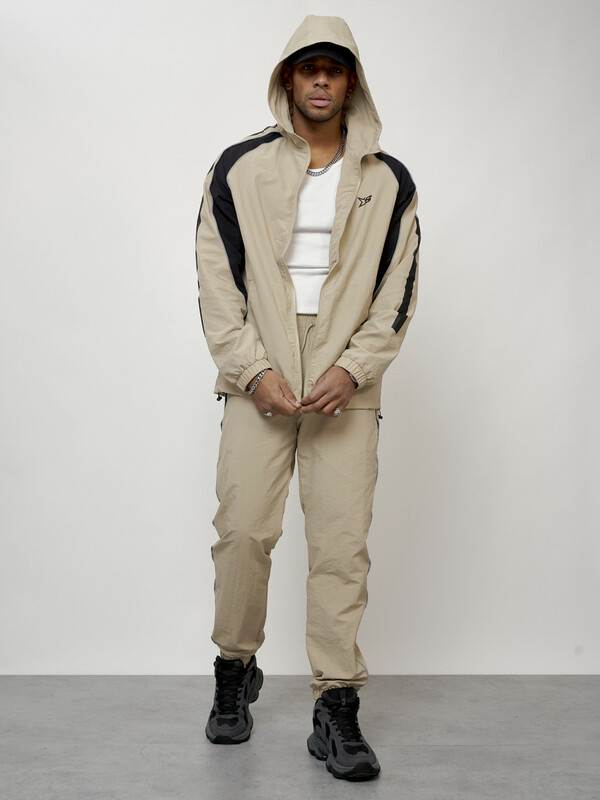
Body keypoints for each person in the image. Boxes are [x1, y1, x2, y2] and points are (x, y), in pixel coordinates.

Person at [195, 14, 420, 781]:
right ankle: (234, 671)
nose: (321, 79)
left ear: (351, 80)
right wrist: (251, 370)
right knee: (242, 533)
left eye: (335, 67)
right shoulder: (237, 167)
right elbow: (217, 284)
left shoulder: (389, 181)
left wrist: (352, 370)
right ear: (287, 77)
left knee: (339, 546)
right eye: (308, 67)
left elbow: (397, 292)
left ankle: (336, 705)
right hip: (257, 372)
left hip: (343, 380)